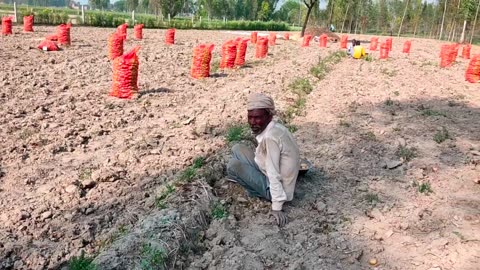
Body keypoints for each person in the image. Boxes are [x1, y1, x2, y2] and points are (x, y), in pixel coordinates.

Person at [227, 93, 300, 227]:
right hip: (269, 172)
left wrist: (277, 207)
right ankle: (246, 177)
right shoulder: (277, 128)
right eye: (250, 117)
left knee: (232, 166)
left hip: (277, 189)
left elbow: (273, 173)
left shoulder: (270, 138)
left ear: (269, 116)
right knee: (237, 148)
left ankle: (256, 189)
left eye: (258, 118)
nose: (253, 122)